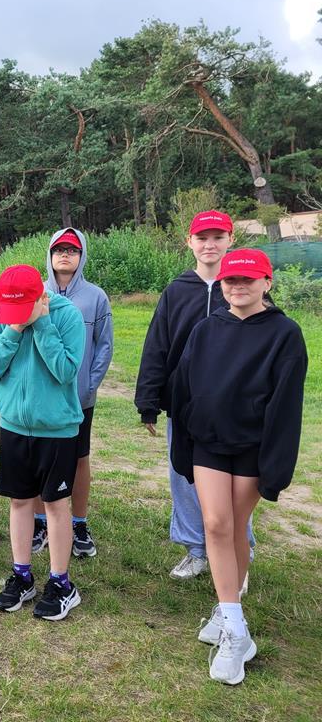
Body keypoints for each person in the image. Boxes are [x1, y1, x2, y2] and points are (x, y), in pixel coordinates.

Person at [170, 249, 307, 684]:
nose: (238, 286)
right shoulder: (206, 329)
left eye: (248, 279)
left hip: (252, 448)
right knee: (215, 523)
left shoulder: (285, 334)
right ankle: (234, 626)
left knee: (235, 525)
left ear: (267, 282)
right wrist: (182, 443)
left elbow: (286, 407)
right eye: (231, 280)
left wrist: (276, 466)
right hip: (209, 443)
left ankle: (229, 613)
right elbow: (184, 386)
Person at [135, 210, 255, 582]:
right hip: (185, 405)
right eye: (202, 238)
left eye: (218, 237)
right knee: (183, 476)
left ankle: (240, 549)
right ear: (189, 242)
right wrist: (148, 401)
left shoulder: (244, 287)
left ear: (231, 239)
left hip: (233, 407)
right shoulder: (177, 290)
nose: (209, 245)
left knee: (235, 482)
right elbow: (157, 345)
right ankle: (196, 549)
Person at [0, 264, 85, 620]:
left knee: (55, 504)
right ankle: (22, 575)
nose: (15, 315)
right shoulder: (1, 317)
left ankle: (61, 583)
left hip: (56, 429)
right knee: (20, 501)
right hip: (14, 427)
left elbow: (66, 370)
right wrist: (12, 330)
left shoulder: (67, 316)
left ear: (40, 296)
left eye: (22, 308)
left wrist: (42, 324)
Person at [32, 229, 113, 557]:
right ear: (50, 255)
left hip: (78, 398)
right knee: (39, 461)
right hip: (41, 397)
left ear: (82, 256)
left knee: (79, 459)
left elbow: (104, 346)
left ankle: (79, 523)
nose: (65, 255)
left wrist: (89, 385)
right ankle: (39, 521)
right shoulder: (35, 292)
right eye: (59, 249)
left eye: (72, 250)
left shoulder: (95, 297)